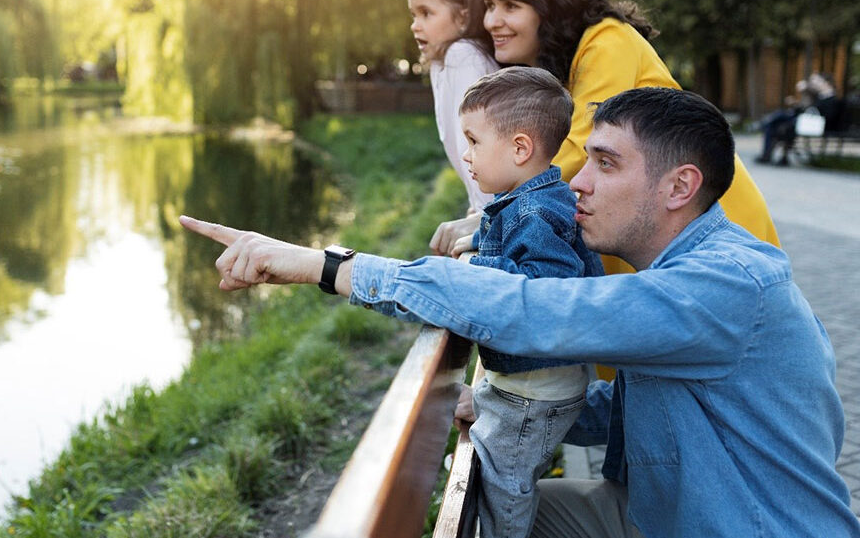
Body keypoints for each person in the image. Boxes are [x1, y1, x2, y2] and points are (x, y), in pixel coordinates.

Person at [179, 87, 859, 538]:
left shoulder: (729, 285)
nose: (577, 182)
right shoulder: (682, 275)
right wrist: (502, 401)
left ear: (679, 186)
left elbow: (536, 308)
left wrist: (327, 266)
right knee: (484, 510)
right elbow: (650, 405)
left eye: (604, 164)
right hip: (658, 516)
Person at [430, 0, 780, 264]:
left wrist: (496, 215)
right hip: (660, 224)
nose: (492, 21)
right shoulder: (562, 65)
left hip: (706, 223)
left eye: (511, 6)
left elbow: (575, 148)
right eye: (490, 6)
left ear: (550, 9)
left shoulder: (608, 41)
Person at [453, 66, 604, 538]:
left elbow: (545, 286)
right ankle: (485, 401)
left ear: (520, 148)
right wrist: (478, 243)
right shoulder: (534, 199)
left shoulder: (535, 209)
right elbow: (518, 248)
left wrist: (474, 267)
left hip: (535, 391)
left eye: (474, 141)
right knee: (500, 472)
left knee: (505, 487)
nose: (466, 154)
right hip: (533, 383)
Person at [407, 0, 499, 236]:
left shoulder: (464, 56)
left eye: (426, 13)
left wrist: (484, 215)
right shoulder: (442, 61)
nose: (415, 25)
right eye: (413, 15)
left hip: (496, 214)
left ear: (463, 17)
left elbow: (478, 146)